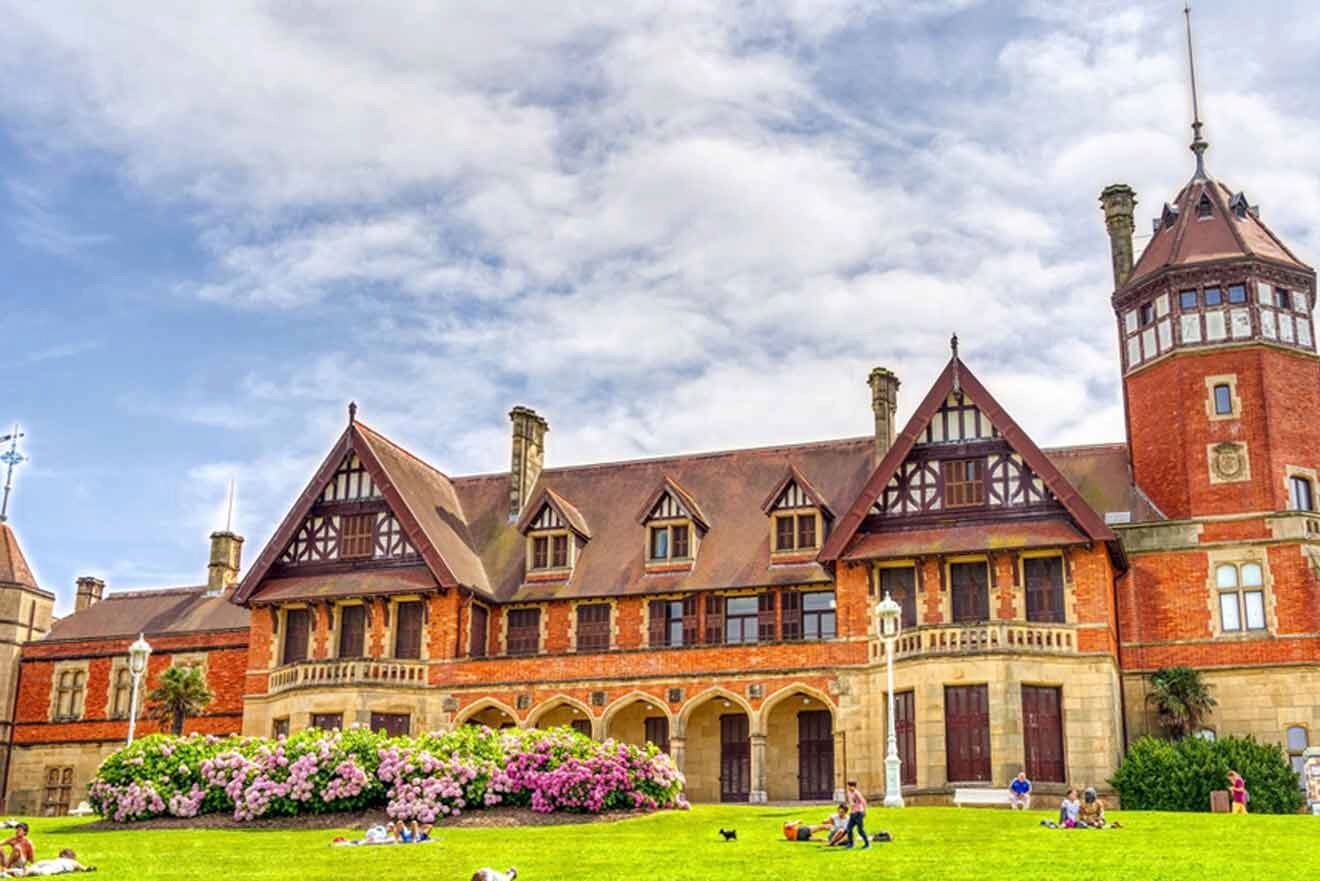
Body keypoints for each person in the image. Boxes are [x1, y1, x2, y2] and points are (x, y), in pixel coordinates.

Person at [21, 848, 94, 876]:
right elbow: (85, 869)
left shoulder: (58, 859)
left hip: (49, 862)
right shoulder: (71, 862)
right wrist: (88, 868)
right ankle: (27, 871)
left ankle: (16, 871)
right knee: (42, 872)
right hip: (56, 866)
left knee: (36, 867)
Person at [844, 781, 870, 850]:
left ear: (853, 786)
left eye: (849, 786)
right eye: (848, 786)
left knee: (860, 830)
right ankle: (850, 844)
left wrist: (865, 811)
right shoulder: (849, 793)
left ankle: (867, 844)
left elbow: (863, 801)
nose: (848, 787)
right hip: (852, 813)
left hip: (858, 813)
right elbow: (851, 803)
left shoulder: (856, 793)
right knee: (849, 829)